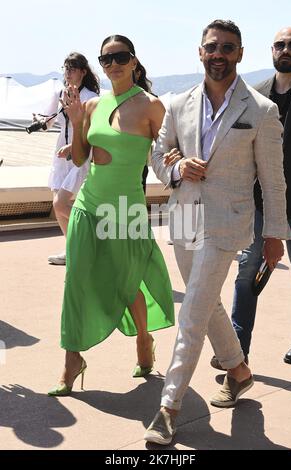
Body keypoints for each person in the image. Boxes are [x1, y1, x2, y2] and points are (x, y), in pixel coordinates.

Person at [145, 19, 291, 445]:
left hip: (228, 223)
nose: (219, 54)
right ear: (200, 51)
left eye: (228, 47)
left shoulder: (261, 111)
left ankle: (168, 408)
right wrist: (176, 167)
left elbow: (274, 179)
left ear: (240, 54)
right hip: (185, 218)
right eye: (212, 47)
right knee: (205, 304)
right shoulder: (176, 104)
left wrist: (275, 234)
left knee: (191, 313)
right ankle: (239, 369)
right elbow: (157, 155)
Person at [48, 35, 174, 396]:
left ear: (134, 61)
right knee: (76, 280)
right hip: (89, 205)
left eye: (120, 57)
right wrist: (74, 119)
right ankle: (73, 360)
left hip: (125, 208)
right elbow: (78, 158)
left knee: (129, 280)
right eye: (106, 59)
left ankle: (143, 341)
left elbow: (167, 152)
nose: (113, 64)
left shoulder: (152, 106)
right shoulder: (91, 107)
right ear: (100, 66)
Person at [210, 27, 291, 371]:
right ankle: (236, 353)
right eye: (280, 45)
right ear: (271, 49)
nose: (286, 50)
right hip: (260, 206)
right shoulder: (256, 94)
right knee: (247, 274)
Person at [35, 52, 99, 265]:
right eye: (65, 69)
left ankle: (94, 239)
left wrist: (74, 146)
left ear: (83, 72)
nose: (68, 73)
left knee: (61, 204)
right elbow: (48, 122)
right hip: (60, 155)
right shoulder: (59, 93)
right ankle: (73, 249)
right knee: (57, 206)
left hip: (80, 155)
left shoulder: (91, 97)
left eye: (72, 69)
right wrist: (40, 122)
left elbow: (93, 131)